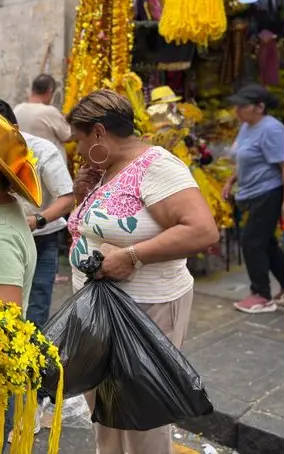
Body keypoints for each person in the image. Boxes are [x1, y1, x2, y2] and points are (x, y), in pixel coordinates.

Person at [66, 89, 219, 454]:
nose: (78, 150)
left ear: (100, 133)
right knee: (104, 407)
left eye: (80, 140)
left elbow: (202, 230)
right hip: (100, 310)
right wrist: (80, 195)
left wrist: (132, 256)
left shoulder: (157, 167)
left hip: (144, 311)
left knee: (140, 416)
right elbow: (99, 226)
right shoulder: (104, 169)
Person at [0, 99, 75, 331]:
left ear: (15, 128)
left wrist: (38, 220)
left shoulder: (43, 151)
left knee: (35, 311)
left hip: (42, 239)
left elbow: (67, 198)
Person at [222, 83, 284, 313]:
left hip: (268, 192)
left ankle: (261, 295)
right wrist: (231, 180)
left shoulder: (272, 129)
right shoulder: (247, 126)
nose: (237, 110)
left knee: (252, 241)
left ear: (260, 107)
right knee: (266, 242)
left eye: (243, 106)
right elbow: (246, 158)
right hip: (252, 192)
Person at [14, 74, 72, 147]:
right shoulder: (49, 112)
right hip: (45, 158)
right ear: (50, 91)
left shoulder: (17, 109)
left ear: (33, 89)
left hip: (24, 157)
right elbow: (68, 136)